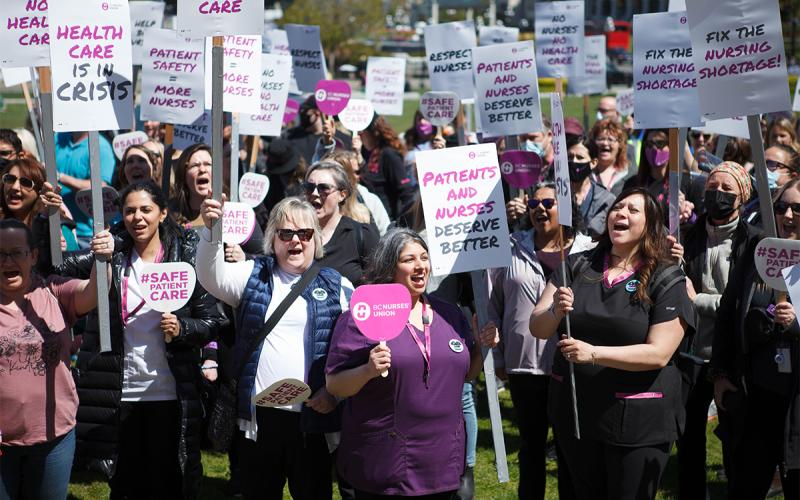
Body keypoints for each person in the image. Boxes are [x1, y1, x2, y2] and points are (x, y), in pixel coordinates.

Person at [59, 181, 223, 499]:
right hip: (122, 394)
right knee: (125, 486)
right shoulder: (113, 255)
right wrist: (53, 221)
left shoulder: (184, 260)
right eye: (130, 211)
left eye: (146, 210)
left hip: (169, 395)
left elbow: (213, 322)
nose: (138, 218)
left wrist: (182, 328)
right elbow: (58, 267)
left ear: (162, 213)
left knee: (168, 484)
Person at [529, 188, 693, 500]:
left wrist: (594, 354)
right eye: (618, 208)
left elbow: (659, 353)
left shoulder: (667, 277)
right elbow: (537, 328)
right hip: (577, 416)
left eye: (633, 210)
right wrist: (554, 310)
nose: (621, 214)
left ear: (650, 224)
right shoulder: (576, 265)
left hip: (638, 423)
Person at [196, 196, 352, 500]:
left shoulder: (339, 285)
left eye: (304, 234)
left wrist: (334, 394)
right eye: (286, 233)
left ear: (316, 239)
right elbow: (210, 276)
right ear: (273, 238)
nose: (295, 240)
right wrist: (211, 232)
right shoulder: (253, 274)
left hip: (313, 417)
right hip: (261, 419)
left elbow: (353, 349)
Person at [326, 228, 499, 498]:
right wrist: (367, 370)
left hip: (442, 462)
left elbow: (466, 376)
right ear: (388, 266)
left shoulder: (449, 312)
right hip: (386, 464)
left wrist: (479, 348)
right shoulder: (364, 315)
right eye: (408, 260)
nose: (420, 266)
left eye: (424, 257)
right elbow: (335, 385)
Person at [490, 182, 594, 500]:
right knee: (531, 449)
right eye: (533, 201)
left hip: (573, 367)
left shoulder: (589, 250)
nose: (539, 208)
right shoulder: (508, 248)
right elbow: (493, 307)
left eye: (548, 202)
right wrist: (499, 361)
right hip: (525, 368)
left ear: (566, 208)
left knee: (570, 451)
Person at [0, 219, 113, 500]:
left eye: (17, 252)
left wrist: (103, 260)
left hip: (54, 438)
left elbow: (93, 294)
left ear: (34, 256)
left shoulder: (53, 291)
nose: (7, 261)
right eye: (0, 254)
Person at [711, 179, 800, 500]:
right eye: (781, 207)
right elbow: (727, 314)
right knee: (745, 487)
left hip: (797, 409)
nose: (788, 215)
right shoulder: (756, 251)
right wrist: (720, 374)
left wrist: (796, 325)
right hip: (757, 397)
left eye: (797, 209)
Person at [677, 162, 755, 499]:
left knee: (736, 443)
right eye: (712, 186)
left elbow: (746, 304)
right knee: (688, 440)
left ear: (742, 198)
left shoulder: (753, 243)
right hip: (690, 355)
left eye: (727, 189)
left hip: (732, 358)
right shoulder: (687, 236)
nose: (717, 194)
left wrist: (700, 301)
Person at [304, 161, 379, 286]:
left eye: (324, 188)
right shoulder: (292, 234)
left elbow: (381, 284)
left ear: (342, 195)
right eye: (309, 187)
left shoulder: (361, 235)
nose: (314, 193)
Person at [54, 131, 116, 247]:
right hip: (58, 227)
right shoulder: (57, 138)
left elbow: (101, 186)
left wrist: (60, 177)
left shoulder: (100, 146)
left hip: (86, 233)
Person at [358, 115, 415, 221]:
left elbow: (406, 193)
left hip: (386, 221)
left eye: (361, 131)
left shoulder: (390, 155)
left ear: (374, 133)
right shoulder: (365, 152)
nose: (358, 135)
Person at [568, 140, 615, 239]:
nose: (574, 161)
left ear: (593, 163)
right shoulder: (556, 195)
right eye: (570, 157)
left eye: (580, 157)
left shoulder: (606, 200)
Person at [324, 150, 381, 230]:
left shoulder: (369, 202)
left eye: (358, 172)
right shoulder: (317, 210)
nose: (357, 176)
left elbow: (384, 234)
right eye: (353, 172)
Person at [588, 118, 631, 197]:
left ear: (620, 145)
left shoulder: (629, 174)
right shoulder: (587, 174)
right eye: (601, 139)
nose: (605, 143)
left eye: (610, 139)